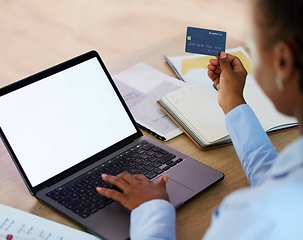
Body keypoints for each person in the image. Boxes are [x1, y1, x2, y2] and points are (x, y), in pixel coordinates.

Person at [96, 0, 303, 238]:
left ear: (283, 61)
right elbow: (277, 180)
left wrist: (151, 209)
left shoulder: (254, 220)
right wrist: (233, 101)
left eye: (252, 42)